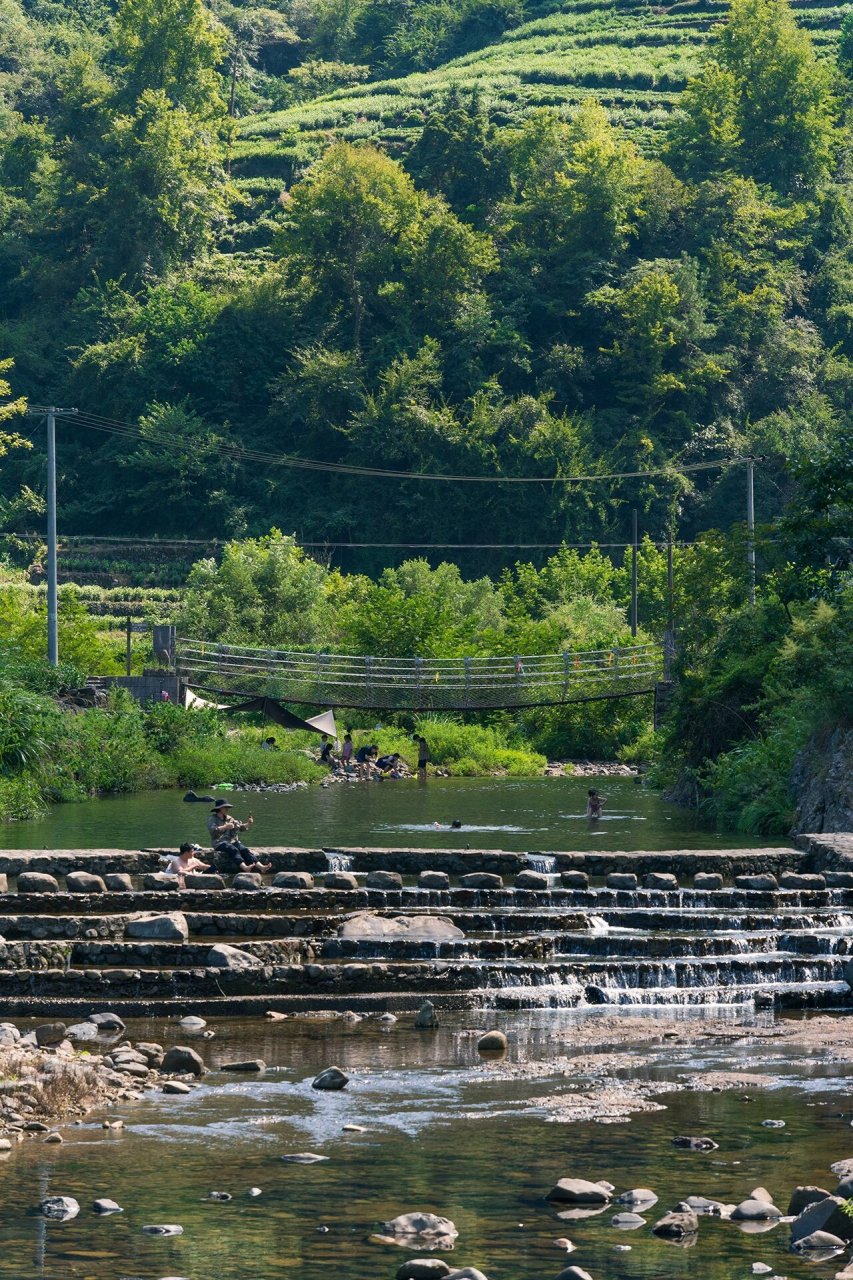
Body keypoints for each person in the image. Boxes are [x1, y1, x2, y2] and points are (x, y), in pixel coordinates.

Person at [207, 800, 271, 874]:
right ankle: (245, 868)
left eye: (228, 807)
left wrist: (248, 824)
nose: (227, 809)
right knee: (233, 849)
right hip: (219, 843)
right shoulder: (212, 819)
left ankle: (261, 867)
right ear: (220, 808)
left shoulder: (229, 818)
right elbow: (212, 830)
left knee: (244, 849)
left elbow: (240, 828)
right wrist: (225, 826)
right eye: (225, 807)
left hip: (231, 841)